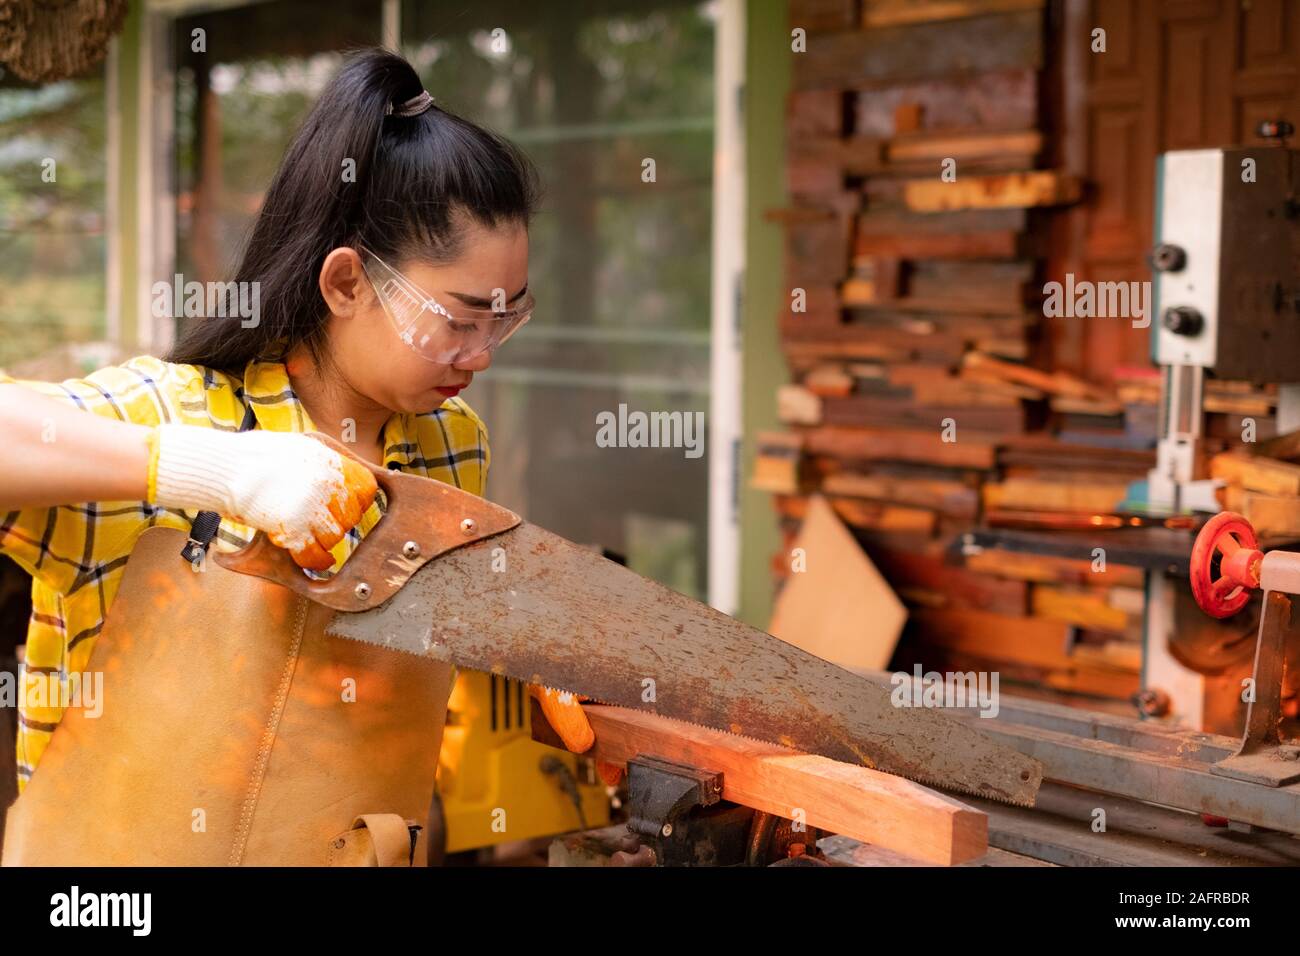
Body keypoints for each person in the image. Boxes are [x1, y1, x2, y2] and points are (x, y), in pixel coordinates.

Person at [0, 48, 592, 802]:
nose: (481, 354)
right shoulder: (179, 412)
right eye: (460, 317)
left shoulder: (453, 443)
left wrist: (550, 654)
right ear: (346, 282)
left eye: (505, 319)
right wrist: (221, 471)